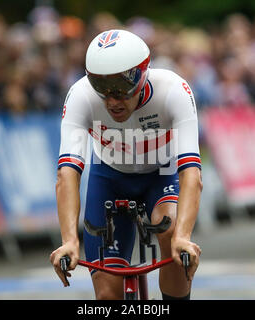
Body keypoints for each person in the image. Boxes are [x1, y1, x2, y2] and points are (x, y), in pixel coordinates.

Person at [50, 29, 203, 300]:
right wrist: (69, 241)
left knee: (169, 228)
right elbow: (67, 174)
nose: (112, 100)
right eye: (101, 87)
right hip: (110, 177)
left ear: (143, 74)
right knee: (109, 296)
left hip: (161, 174)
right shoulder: (80, 96)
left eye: (121, 87)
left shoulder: (173, 90)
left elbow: (191, 172)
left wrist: (184, 236)